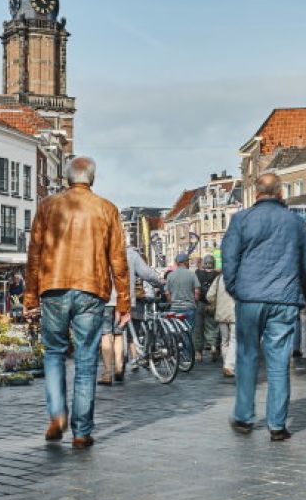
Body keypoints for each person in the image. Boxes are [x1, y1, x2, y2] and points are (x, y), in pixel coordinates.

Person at [24, 157, 130, 450]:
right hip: (91, 288)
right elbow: (118, 259)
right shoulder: (106, 209)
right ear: (91, 178)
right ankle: (82, 431)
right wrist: (123, 300)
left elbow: (34, 253)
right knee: (85, 359)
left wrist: (30, 296)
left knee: (54, 353)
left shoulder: (47, 205)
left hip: (53, 286)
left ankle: (57, 414)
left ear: (67, 177)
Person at [221, 173, 306, 441]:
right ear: (280, 193)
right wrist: (293, 283)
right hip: (284, 298)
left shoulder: (241, 219)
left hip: (249, 298)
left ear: (256, 193)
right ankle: (277, 425)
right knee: (279, 362)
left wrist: (235, 289)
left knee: (247, 355)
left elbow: (229, 260)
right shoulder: (296, 223)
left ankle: (243, 416)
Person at [100, 246, 163, 386]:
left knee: (106, 334)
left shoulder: (101, 251)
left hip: (105, 299)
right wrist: (159, 281)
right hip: (124, 299)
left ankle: (106, 373)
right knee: (118, 334)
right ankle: (118, 367)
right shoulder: (131, 254)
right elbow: (146, 273)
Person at [166, 252, 202, 363]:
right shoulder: (192, 274)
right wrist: (194, 302)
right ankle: (187, 357)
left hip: (175, 308)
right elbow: (197, 291)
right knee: (188, 333)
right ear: (185, 262)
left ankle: (177, 355)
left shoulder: (170, 275)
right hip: (189, 308)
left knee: (176, 333)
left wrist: (172, 302)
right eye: (188, 261)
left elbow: (167, 293)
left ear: (177, 263)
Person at [206, 271, 236, 378]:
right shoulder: (238, 276)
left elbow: (209, 296)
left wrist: (217, 301)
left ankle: (226, 364)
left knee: (224, 340)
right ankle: (229, 366)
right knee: (234, 340)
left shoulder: (218, 278)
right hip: (234, 313)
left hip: (221, 313)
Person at [194, 255, 221, 359]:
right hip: (212, 303)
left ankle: (198, 353)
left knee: (198, 328)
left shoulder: (198, 273)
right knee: (213, 327)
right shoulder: (217, 274)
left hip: (200, 303)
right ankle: (213, 346)